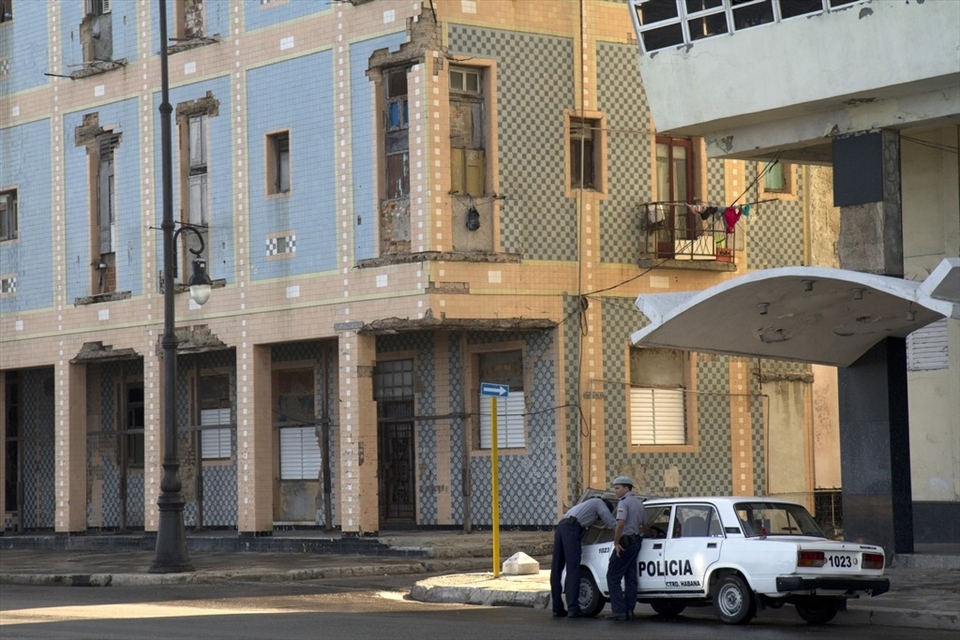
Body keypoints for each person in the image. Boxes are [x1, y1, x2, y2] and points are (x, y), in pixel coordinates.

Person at [550, 495, 616, 618]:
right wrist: (621, 530)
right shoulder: (599, 503)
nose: (598, 519)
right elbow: (608, 519)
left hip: (561, 527)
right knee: (573, 568)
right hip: (571, 529)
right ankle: (573, 608)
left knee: (556, 568)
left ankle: (557, 608)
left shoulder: (584, 506)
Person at [605, 475, 648, 621]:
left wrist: (616, 542)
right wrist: (648, 536)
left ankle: (619, 610)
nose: (615, 491)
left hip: (625, 542)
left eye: (617, 488)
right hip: (636, 541)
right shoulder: (639, 503)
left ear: (626, 488)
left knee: (612, 576)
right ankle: (629, 609)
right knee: (630, 577)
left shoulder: (624, 503)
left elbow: (620, 524)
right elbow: (645, 525)